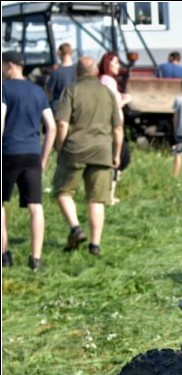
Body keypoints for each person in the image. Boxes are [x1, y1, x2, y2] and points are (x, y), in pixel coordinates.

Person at [53, 56, 123, 257]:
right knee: (97, 199)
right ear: (94, 71)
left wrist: (59, 145)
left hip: (75, 149)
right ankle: (95, 245)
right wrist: (116, 154)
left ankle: (75, 228)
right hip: (102, 151)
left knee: (63, 191)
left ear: (78, 72)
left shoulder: (72, 89)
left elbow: (62, 124)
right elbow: (118, 128)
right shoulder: (107, 92)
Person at [2, 51, 56, 270]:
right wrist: (44, 157)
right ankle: (36, 258)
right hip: (32, 154)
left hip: (8, 153)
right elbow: (51, 127)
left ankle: (4, 254)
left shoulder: (4, 88)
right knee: (36, 206)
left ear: (11, 66)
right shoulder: (38, 92)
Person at [97, 52, 131, 205]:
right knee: (119, 158)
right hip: (113, 127)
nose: (118, 66)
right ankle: (108, 195)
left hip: (113, 126)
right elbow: (111, 105)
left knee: (120, 157)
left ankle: (109, 193)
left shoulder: (106, 81)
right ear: (108, 64)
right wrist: (125, 101)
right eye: (116, 63)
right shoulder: (108, 81)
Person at [45, 42, 76, 116]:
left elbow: (49, 91)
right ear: (71, 53)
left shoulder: (56, 72)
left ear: (59, 53)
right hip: (76, 106)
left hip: (60, 108)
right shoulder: (78, 70)